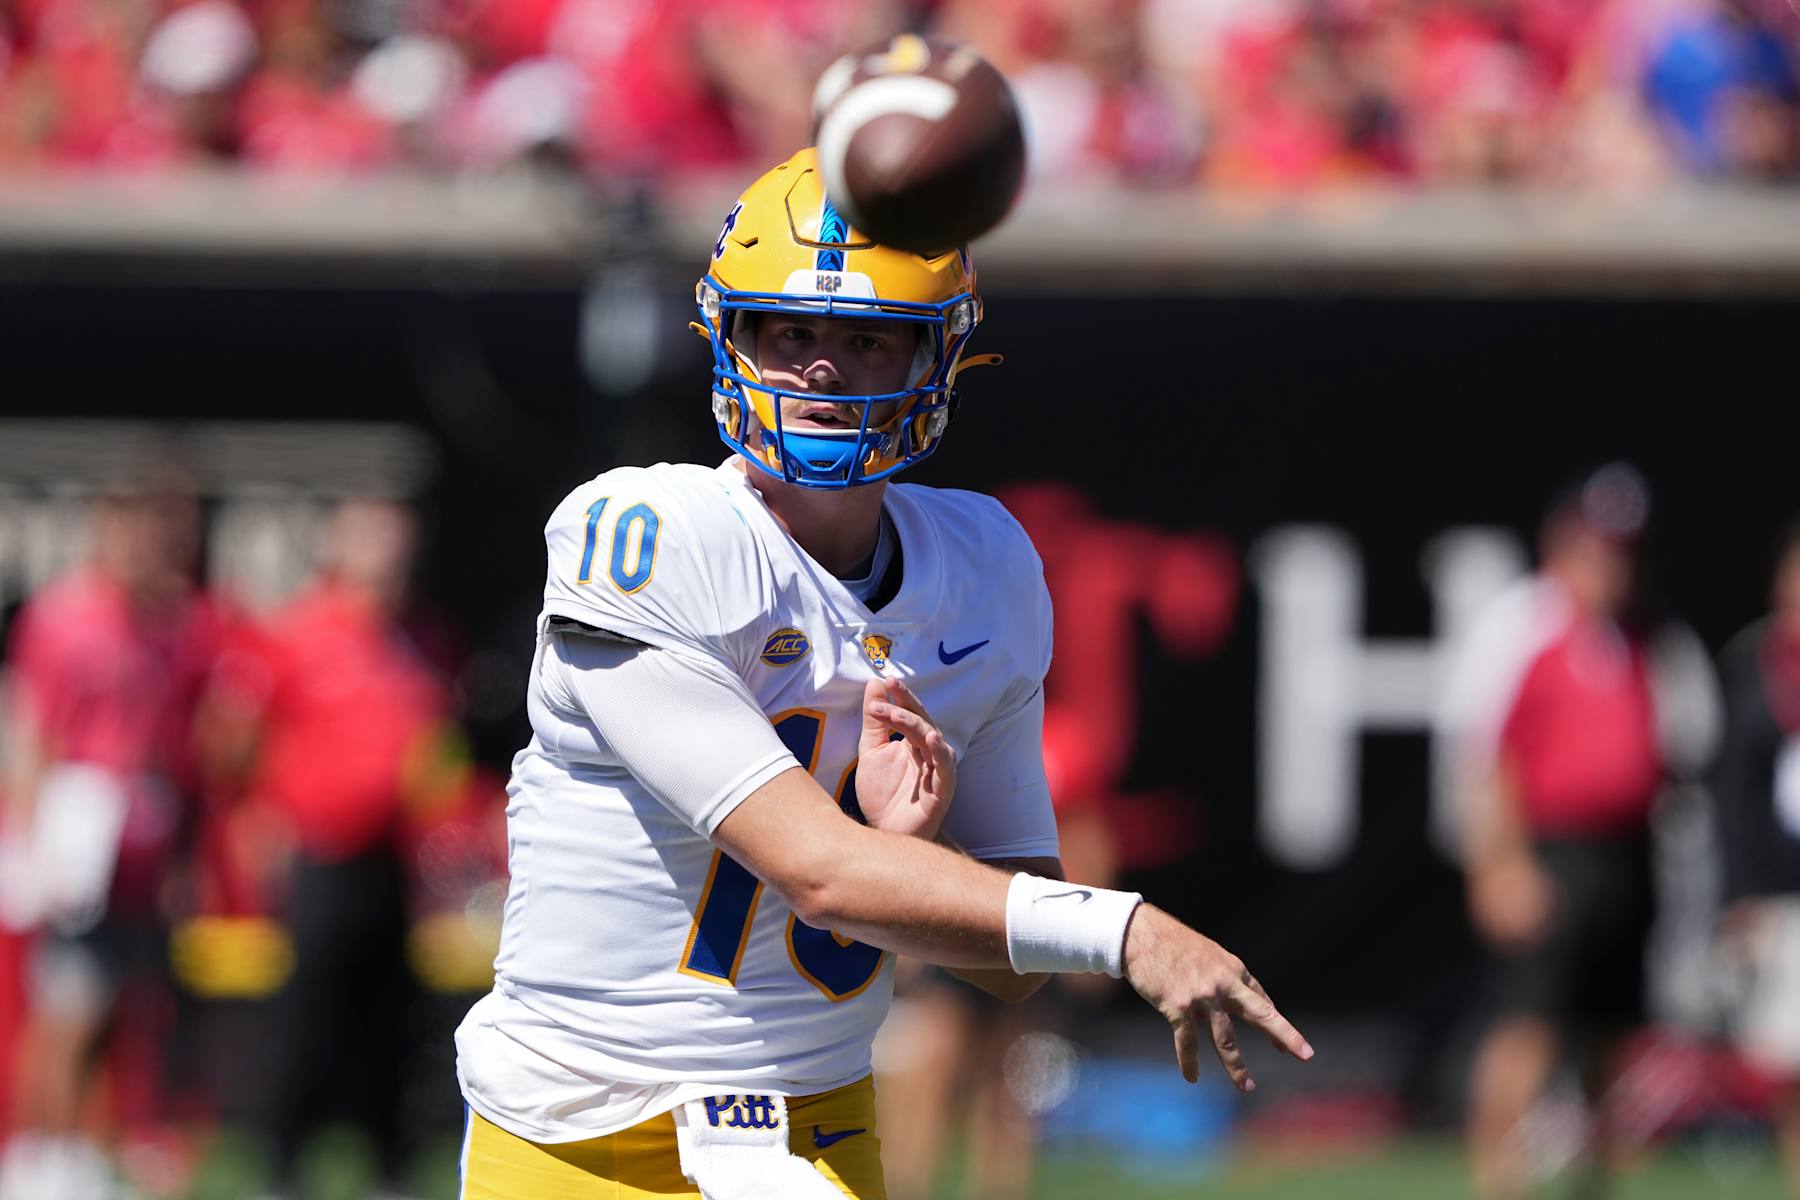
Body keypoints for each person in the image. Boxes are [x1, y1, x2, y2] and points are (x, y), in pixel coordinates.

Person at [452, 143, 1312, 1200]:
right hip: (585, 1139)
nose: (821, 366)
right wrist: (1129, 929)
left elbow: (1016, 960)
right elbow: (820, 870)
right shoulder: (646, 534)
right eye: (791, 330)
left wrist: (927, 851)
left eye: (865, 339)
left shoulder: (983, 564)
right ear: (733, 340)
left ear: (933, 359)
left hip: (818, 1131)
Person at [1442, 463, 1718, 1200]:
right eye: (1596, 548)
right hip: (1548, 853)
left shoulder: (1656, 639)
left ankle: (1589, 1187)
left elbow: (1685, 763)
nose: (1609, 567)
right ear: (1562, 544)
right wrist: (1497, 867)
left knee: (1607, 1039)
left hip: (1630, 858)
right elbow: (1480, 757)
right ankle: (1497, 1184)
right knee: (1525, 1024)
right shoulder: (1521, 625)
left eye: (1623, 551)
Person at [201, 498, 450, 1195]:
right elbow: (233, 740)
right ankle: (280, 1164)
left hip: (391, 857)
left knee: (389, 1020)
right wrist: (255, 821)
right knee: (303, 1019)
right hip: (317, 852)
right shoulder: (299, 633)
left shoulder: (419, 639)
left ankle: (387, 1165)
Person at [0, 476, 220, 1200]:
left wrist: (176, 849)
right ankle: (35, 1154)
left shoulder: (165, 627)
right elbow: (36, 729)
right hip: (75, 830)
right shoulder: (64, 619)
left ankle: (81, 1152)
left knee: (111, 1004)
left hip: (135, 842)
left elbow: (167, 745)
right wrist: (33, 839)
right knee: (65, 1006)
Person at [1713, 519, 1800, 1197]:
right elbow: (1732, 793)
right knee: (1786, 1064)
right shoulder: (1752, 661)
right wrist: (1735, 895)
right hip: (1777, 894)